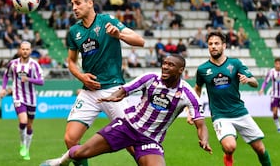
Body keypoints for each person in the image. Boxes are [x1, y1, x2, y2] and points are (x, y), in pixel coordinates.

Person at [40, 54, 212, 166]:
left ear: (181, 70)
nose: (165, 67)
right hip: (126, 127)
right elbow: (125, 89)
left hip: (150, 140)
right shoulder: (150, 78)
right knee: (81, 152)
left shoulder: (187, 94)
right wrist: (114, 96)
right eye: (164, 63)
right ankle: (60, 162)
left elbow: (201, 125)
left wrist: (203, 139)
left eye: (170, 65)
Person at [64, 0, 145, 166]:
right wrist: (81, 76)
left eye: (78, 3)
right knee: (70, 139)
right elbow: (70, 61)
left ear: (90, 3)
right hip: (89, 91)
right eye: (72, 5)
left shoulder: (107, 21)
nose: (74, 8)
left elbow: (140, 41)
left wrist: (119, 34)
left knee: (132, 144)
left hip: (113, 90)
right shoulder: (74, 32)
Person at [194, 31, 272, 166]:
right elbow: (198, 89)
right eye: (210, 44)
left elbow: (255, 83)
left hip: (240, 112)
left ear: (224, 46)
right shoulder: (202, 69)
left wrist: (247, 80)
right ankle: (228, 156)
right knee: (230, 146)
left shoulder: (235, 64)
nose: (213, 46)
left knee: (260, 148)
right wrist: (193, 109)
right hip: (220, 115)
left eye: (216, 43)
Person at [0, 41, 44, 160]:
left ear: (30, 50)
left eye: (27, 49)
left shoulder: (34, 65)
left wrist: (29, 79)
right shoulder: (13, 64)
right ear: (20, 50)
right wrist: (3, 88)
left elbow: (41, 81)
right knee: (23, 121)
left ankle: (27, 149)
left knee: (29, 126)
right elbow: (5, 75)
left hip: (32, 99)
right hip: (18, 96)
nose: (25, 51)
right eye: (23, 49)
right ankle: (22, 143)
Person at [259, 57, 280, 133]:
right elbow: (266, 82)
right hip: (274, 95)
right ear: (274, 64)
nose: (278, 65)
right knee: (274, 113)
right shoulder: (271, 72)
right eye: (276, 64)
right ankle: (279, 127)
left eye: (279, 64)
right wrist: (262, 89)